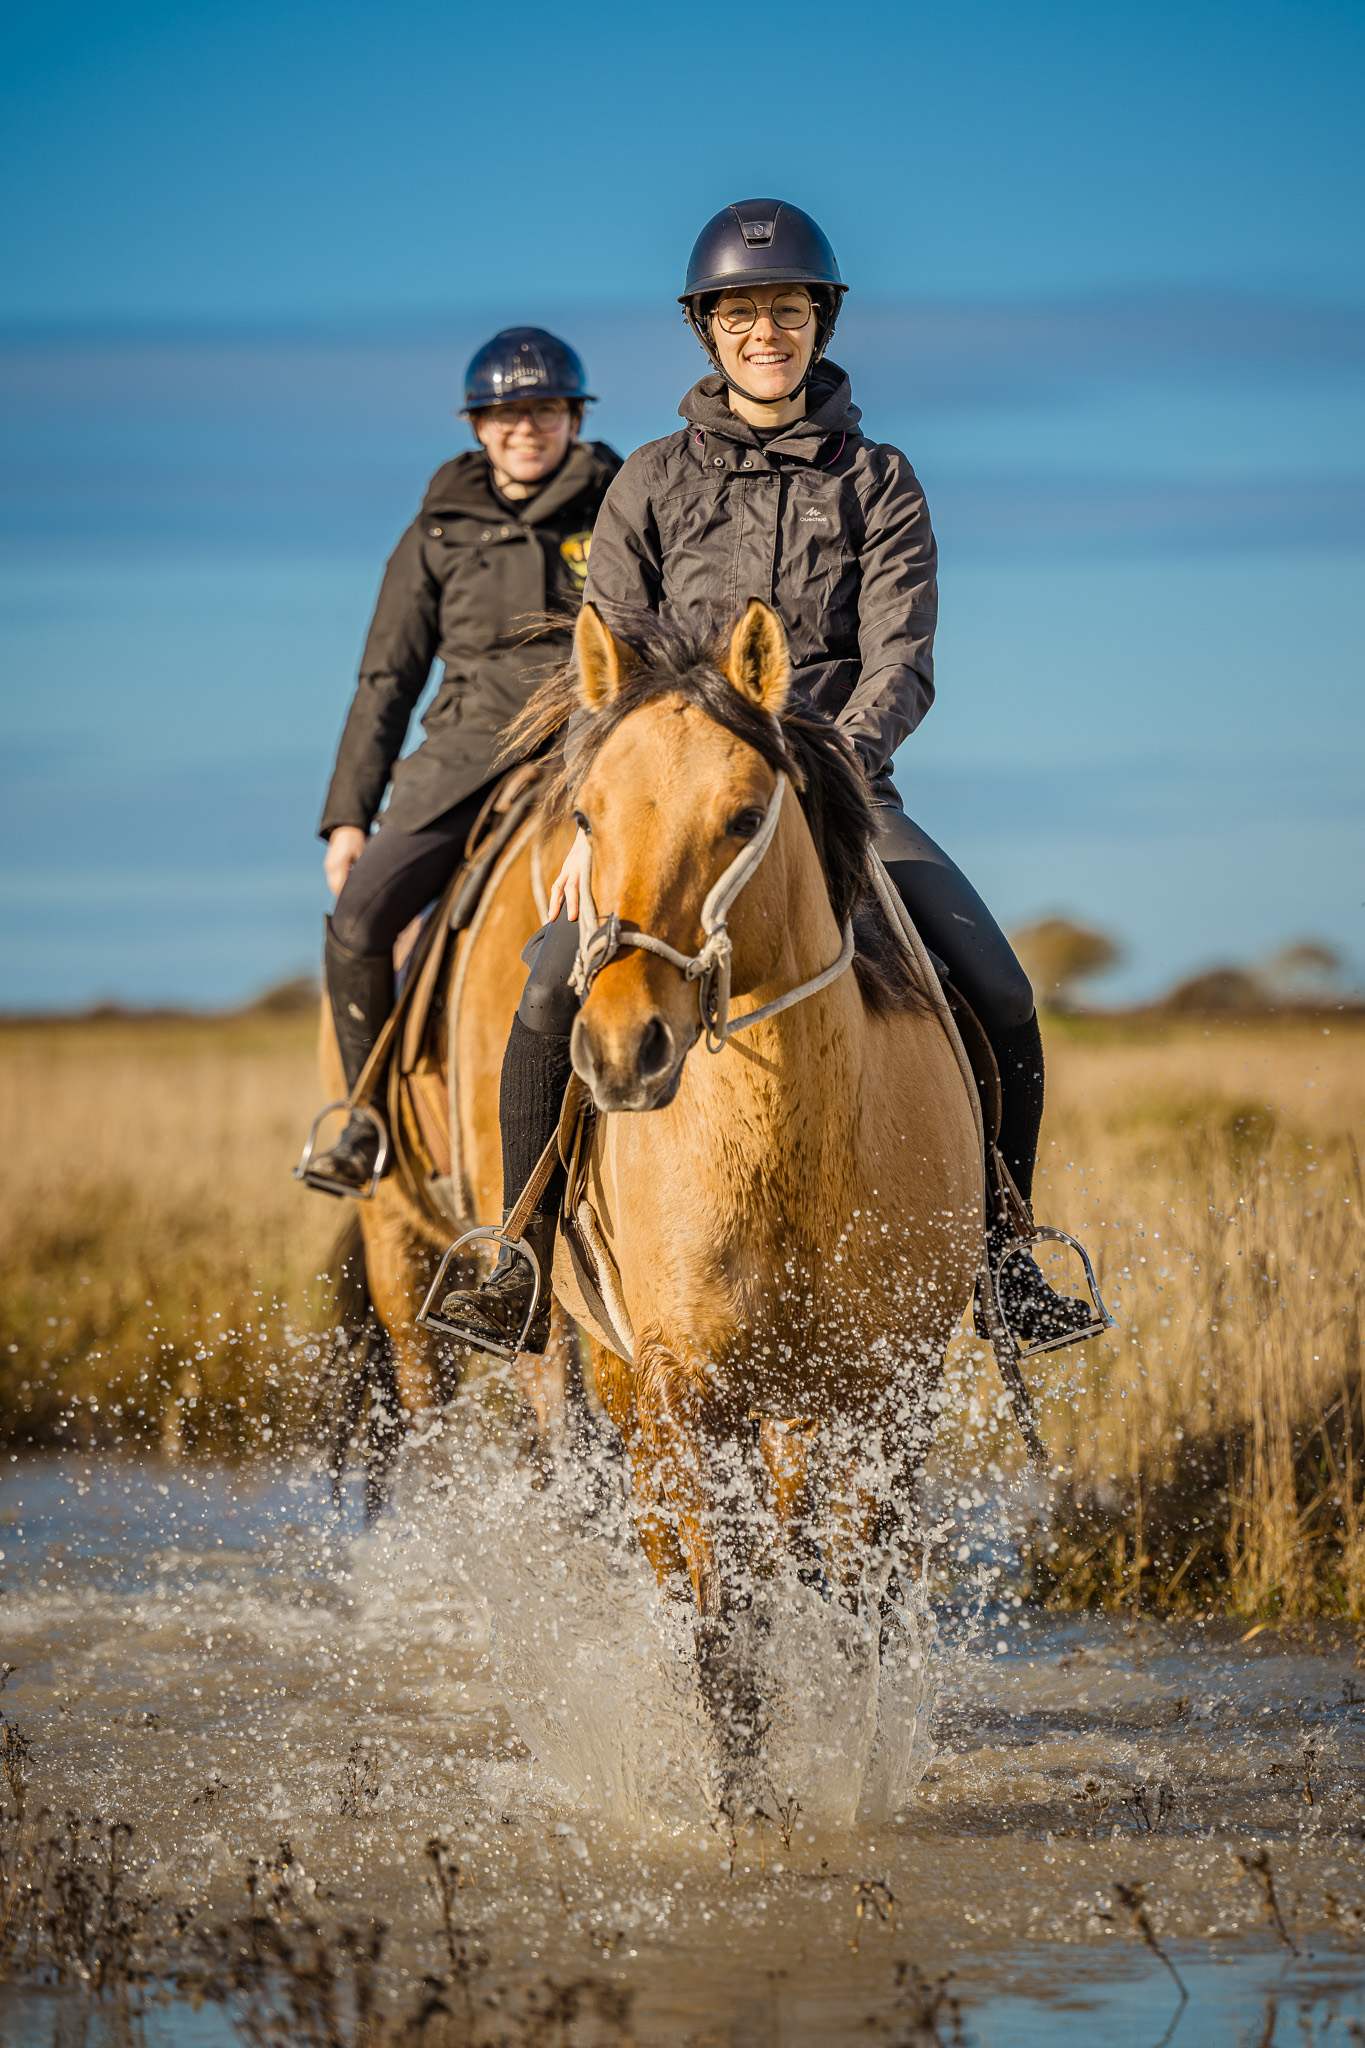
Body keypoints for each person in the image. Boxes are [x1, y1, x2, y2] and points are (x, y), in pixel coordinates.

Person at [438, 201, 1097, 1354]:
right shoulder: (649, 481)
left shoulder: (880, 479)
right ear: (709, 329)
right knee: (546, 993)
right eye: (741, 314)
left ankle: (1006, 1259)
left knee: (999, 987)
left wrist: (828, 761)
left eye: (787, 310)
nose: (765, 333)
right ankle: (519, 1258)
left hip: (843, 790)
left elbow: (902, 659)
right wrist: (598, 825)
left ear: (819, 321)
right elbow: (607, 667)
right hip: (673, 809)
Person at [303, 328, 621, 1195]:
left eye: (545, 410)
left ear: (574, 418)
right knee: (359, 919)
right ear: (477, 425)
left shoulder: (621, 504)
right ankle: (366, 1123)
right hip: (463, 755)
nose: (526, 428)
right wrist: (347, 818)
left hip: (590, 747)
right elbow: (386, 678)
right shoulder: (435, 530)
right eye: (506, 413)